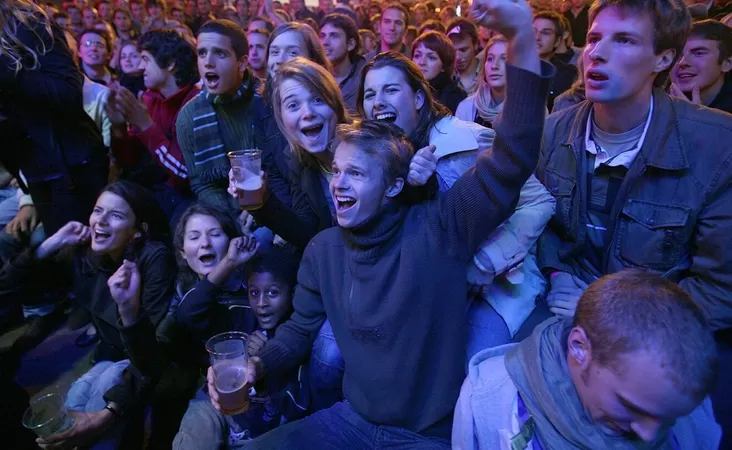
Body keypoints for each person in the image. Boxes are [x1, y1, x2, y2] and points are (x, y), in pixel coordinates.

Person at [222, 0, 553, 445]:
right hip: (349, 424)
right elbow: (300, 331)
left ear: (395, 186)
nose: (338, 184)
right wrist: (257, 366)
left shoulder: (442, 228)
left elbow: (512, 158)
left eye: (356, 173)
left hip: (425, 436)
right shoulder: (324, 250)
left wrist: (521, 38)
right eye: (336, 171)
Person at [535, 0, 732, 442]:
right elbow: (540, 222)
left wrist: (613, 318)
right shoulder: (555, 130)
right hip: (561, 307)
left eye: (623, 39)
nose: (597, 53)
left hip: (662, 332)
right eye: (593, 38)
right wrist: (554, 269)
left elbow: (720, 289)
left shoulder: (718, 145)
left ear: (664, 59)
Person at [453, 270, 722, 449]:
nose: (649, 434)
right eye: (630, 405)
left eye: (666, 419)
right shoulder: (488, 400)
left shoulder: (690, 403)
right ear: (579, 348)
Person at [0, 181, 176, 449]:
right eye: (98, 210)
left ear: (137, 233)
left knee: (98, 418)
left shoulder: (153, 260)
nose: (100, 221)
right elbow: (5, 287)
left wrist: (107, 414)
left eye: (115, 215)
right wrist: (51, 243)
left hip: (143, 361)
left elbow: (153, 354)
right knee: (71, 411)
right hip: (111, 353)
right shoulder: (84, 252)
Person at [170, 205, 304, 448]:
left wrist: (265, 349)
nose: (205, 243)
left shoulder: (253, 288)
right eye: (194, 236)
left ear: (233, 242)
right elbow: (189, 313)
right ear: (182, 253)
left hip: (263, 398)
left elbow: (289, 328)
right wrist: (229, 263)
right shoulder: (190, 296)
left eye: (215, 234)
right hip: (214, 396)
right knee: (197, 436)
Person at [176, 19, 288, 217]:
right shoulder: (189, 117)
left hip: (281, 205)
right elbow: (203, 185)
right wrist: (233, 218)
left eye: (220, 53)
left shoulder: (270, 101)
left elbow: (289, 170)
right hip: (225, 215)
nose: (208, 61)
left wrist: (264, 210)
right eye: (202, 53)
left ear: (242, 62)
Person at [109, 29, 199, 222]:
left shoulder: (195, 103)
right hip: (154, 191)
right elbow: (128, 162)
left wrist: (145, 124)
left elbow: (183, 172)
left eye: (146, 59)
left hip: (185, 198)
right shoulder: (151, 99)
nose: (140, 66)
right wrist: (118, 129)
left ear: (171, 64)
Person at [670, 19, 732, 113]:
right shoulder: (653, 100)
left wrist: (697, 121)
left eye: (698, 53)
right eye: (678, 55)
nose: (682, 62)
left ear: (727, 64)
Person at [456, 35, 507, 129]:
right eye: (490, 59)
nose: (494, 66)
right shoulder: (466, 108)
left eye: (504, 59)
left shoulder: (531, 110)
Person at [320, 13, 367, 111]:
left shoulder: (366, 78)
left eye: (334, 36)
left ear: (350, 44)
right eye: (322, 36)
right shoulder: (313, 77)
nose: (325, 42)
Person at [412, 31, 467, 114]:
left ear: (444, 66)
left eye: (431, 57)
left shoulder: (456, 97)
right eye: (417, 56)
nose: (421, 62)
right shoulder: (405, 89)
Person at [533, 10, 578, 110]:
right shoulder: (513, 67)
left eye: (545, 33)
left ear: (557, 41)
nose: (537, 37)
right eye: (533, 31)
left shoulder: (569, 74)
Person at [447, 18, 482, 95]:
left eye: (463, 50)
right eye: (453, 51)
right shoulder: (445, 77)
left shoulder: (488, 71)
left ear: (475, 45)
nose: (458, 57)